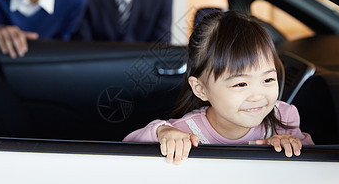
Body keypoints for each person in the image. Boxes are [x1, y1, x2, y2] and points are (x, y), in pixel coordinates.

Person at [124, 10, 314, 164]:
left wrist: (292, 145)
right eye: (241, 83)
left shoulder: (283, 118)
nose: (258, 96)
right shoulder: (186, 131)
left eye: (268, 80)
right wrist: (162, 132)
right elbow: (125, 151)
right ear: (200, 89)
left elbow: (316, 164)